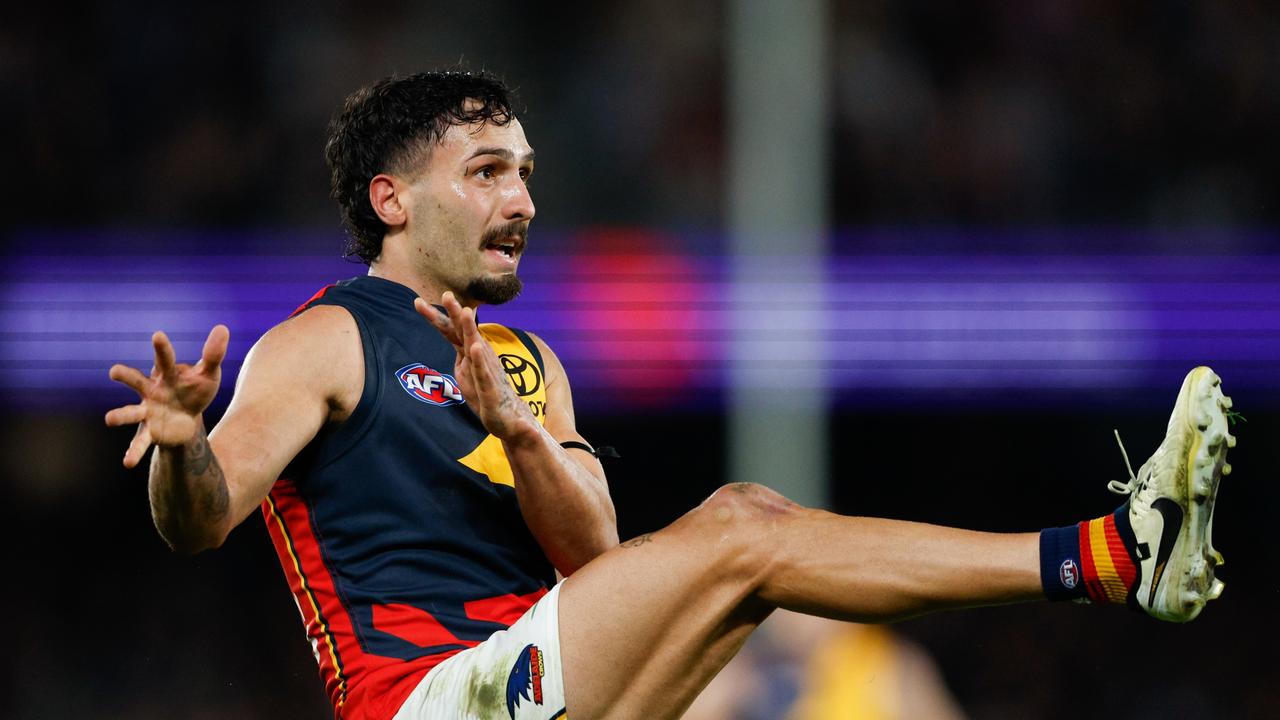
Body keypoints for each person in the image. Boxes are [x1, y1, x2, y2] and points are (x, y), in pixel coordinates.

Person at [105, 71, 1234, 720]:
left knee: (752, 573)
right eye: (488, 171)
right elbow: (202, 518)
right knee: (743, 527)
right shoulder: (322, 341)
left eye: (529, 174)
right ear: (392, 199)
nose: (522, 199)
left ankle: (1115, 559)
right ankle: (1113, 557)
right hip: (430, 701)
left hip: (539, 677)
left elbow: (594, 555)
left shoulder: (528, 360)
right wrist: (177, 446)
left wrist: (523, 436)